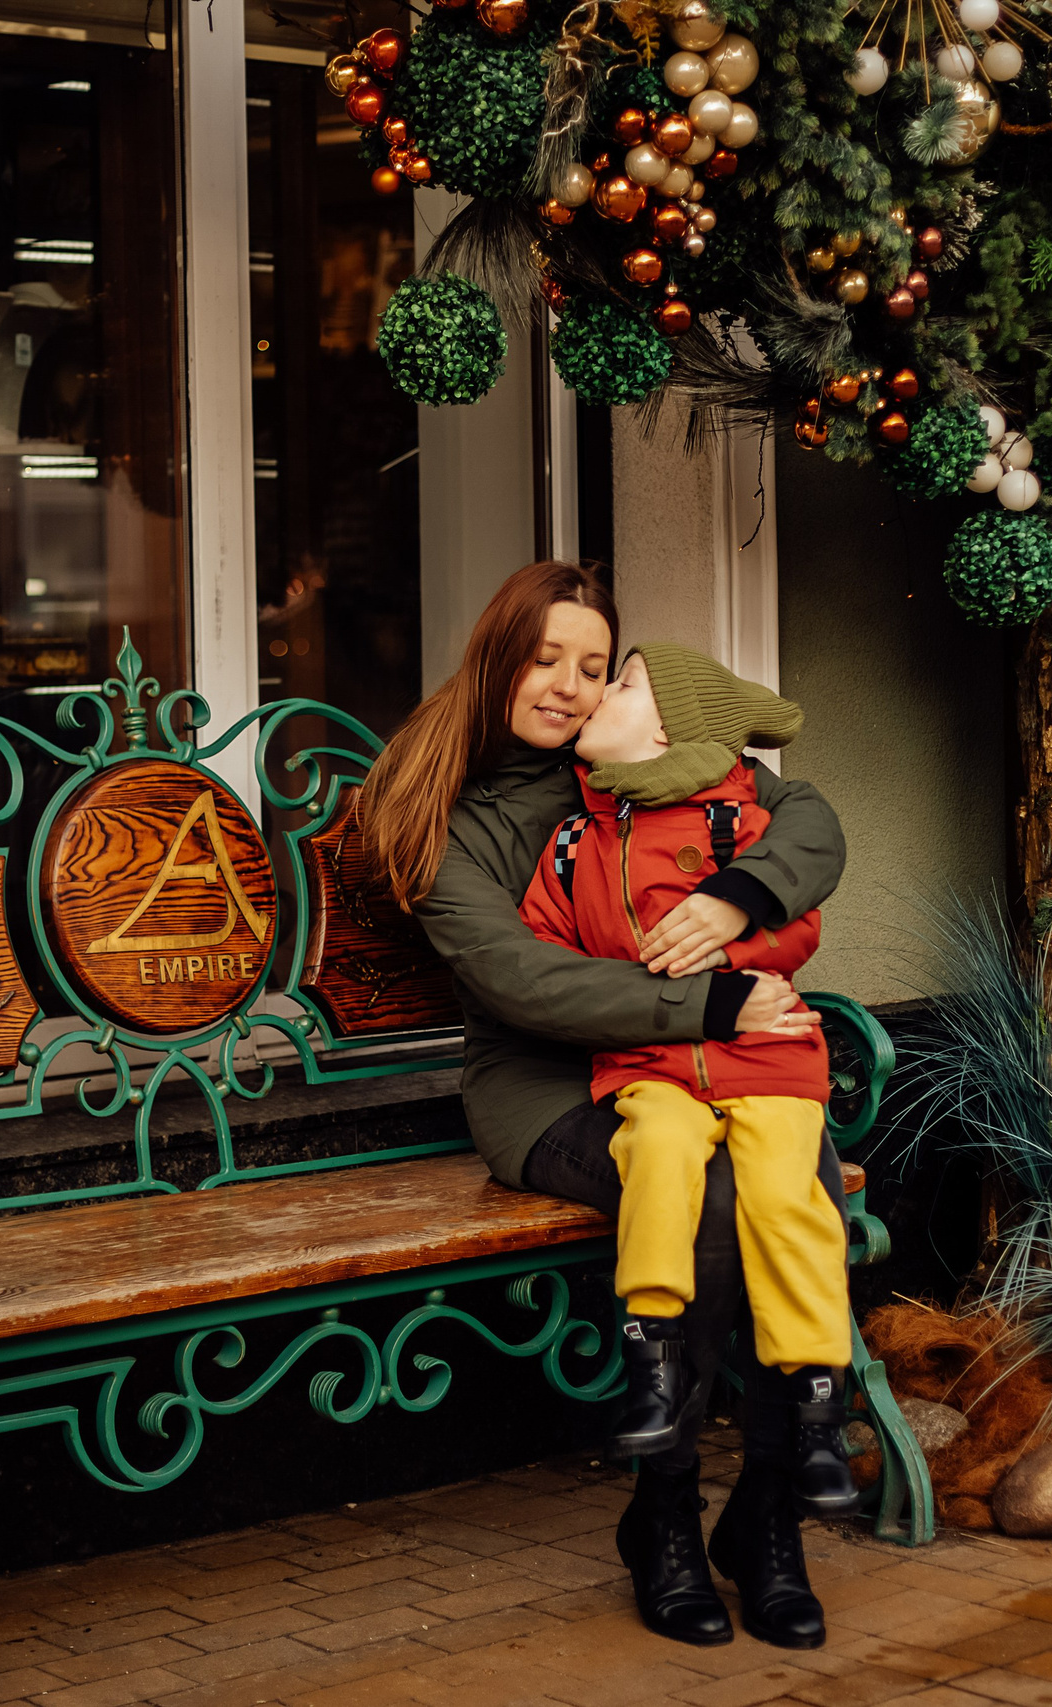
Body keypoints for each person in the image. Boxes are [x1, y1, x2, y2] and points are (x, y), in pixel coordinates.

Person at [364, 562, 851, 1651]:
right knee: (723, 1200)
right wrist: (717, 996)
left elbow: (806, 812)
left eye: (594, 667)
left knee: (796, 1171)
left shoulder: (631, 764)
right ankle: (665, 1513)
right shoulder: (442, 809)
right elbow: (519, 980)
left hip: (702, 1067)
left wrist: (739, 897)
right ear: (497, 657)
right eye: (544, 660)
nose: (570, 689)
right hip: (547, 1086)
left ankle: (769, 1518)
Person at [513, 643, 858, 1526]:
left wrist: (736, 954)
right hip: (650, 1066)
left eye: (619, 680)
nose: (598, 691)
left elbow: (797, 923)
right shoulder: (573, 840)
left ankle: (818, 1398)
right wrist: (669, 998)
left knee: (789, 1195)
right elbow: (544, 954)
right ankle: (653, 1358)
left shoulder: (735, 821)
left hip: (768, 1062)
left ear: (665, 726)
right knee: (661, 1157)